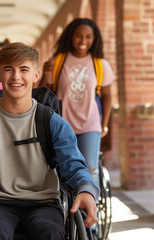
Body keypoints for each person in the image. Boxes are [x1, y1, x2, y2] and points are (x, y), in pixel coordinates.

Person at [0, 42, 99, 240]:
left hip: (43, 203)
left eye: (23, 69)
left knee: (50, 232)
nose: (16, 76)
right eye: (8, 69)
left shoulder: (52, 122)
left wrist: (86, 189)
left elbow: (74, 165)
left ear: (35, 75)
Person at [40, 18, 115, 187]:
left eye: (88, 37)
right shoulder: (56, 62)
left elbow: (107, 95)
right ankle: (68, 208)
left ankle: (89, 209)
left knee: (90, 168)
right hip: (62, 123)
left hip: (90, 123)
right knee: (63, 169)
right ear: (70, 37)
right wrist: (45, 74)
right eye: (78, 36)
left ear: (95, 39)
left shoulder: (100, 65)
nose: (83, 41)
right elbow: (42, 93)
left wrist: (104, 123)